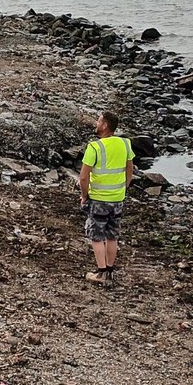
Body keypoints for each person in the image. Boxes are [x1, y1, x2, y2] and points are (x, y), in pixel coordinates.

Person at [78, 109, 135, 286]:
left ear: (105, 125)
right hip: (117, 198)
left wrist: (84, 196)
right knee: (112, 235)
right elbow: (130, 172)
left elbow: (83, 177)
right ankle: (109, 271)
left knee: (96, 235)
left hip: (99, 199)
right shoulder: (125, 144)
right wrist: (122, 189)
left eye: (98, 120)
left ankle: (101, 273)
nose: (96, 123)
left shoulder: (94, 147)